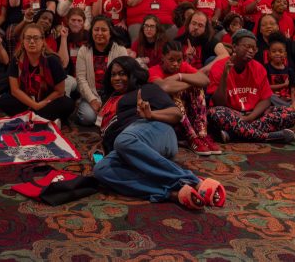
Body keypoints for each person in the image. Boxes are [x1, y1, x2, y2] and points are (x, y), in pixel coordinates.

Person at [92, 56, 226, 210]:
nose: (117, 78)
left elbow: (176, 113)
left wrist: (151, 115)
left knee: (123, 140)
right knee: (101, 169)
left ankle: (192, 181)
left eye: (122, 73)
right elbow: (104, 129)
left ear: (132, 74)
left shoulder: (146, 89)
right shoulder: (108, 100)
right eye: (113, 74)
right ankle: (172, 193)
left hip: (155, 129)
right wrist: (100, 144)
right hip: (126, 145)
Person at [206, 30, 295, 144]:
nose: (251, 51)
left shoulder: (259, 68)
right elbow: (218, 103)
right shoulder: (219, 67)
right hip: (230, 114)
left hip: (254, 114)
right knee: (215, 113)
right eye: (247, 46)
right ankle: (266, 136)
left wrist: (249, 118)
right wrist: (225, 75)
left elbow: (266, 99)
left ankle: (234, 134)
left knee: (290, 113)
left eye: (254, 48)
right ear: (234, 47)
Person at [148, 41, 220, 155]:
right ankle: (191, 137)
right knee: (175, 92)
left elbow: (205, 80)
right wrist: (191, 82)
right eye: (171, 60)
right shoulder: (153, 70)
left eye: (179, 60)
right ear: (162, 57)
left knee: (197, 89)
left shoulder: (183, 67)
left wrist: (179, 76)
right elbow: (166, 87)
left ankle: (202, 136)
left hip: (188, 116)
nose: (176, 64)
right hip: (168, 118)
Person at [0, 23, 74, 122]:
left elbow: (59, 91)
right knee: (3, 100)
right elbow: (15, 90)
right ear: (23, 41)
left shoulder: (53, 60)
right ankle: (40, 117)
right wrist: (35, 105)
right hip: (27, 99)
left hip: (46, 100)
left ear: (42, 41)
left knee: (68, 104)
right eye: (28, 38)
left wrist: (41, 104)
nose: (32, 42)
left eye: (36, 38)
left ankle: (30, 116)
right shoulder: (16, 60)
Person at [74, 16, 131, 126]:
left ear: (111, 32)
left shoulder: (120, 49)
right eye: (96, 30)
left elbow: (124, 78)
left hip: (113, 95)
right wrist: (92, 100)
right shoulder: (84, 50)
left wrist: (111, 101)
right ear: (91, 32)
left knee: (119, 114)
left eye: (104, 30)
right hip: (91, 94)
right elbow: (81, 79)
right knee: (88, 117)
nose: (99, 33)